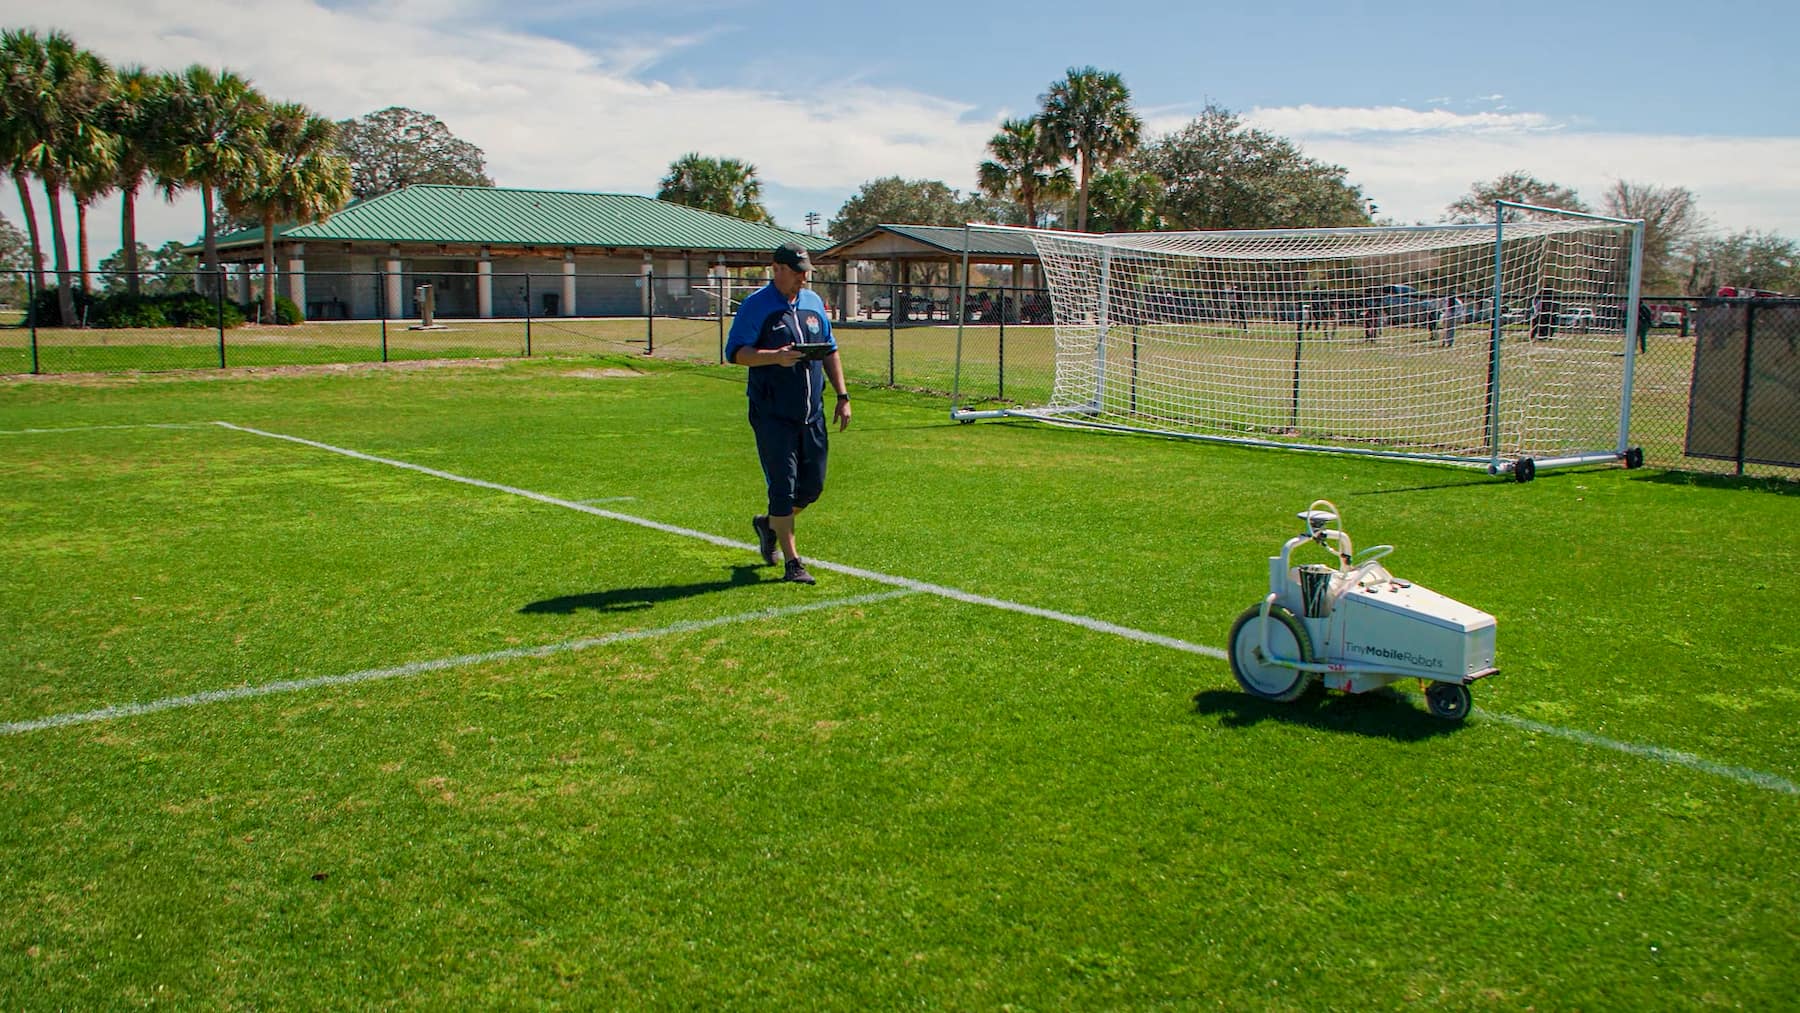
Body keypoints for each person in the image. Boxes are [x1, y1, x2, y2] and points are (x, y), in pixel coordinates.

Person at [724, 242, 852, 585]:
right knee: (783, 488)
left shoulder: (812, 304)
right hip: (772, 415)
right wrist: (774, 356)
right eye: (797, 272)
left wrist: (843, 395)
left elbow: (830, 350)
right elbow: (736, 354)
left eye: (805, 272)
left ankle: (768, 525)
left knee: (811, 489)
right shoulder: (756, 307)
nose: (803, 279)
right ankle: (793, 562)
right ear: (776, 269)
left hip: (812, 414)